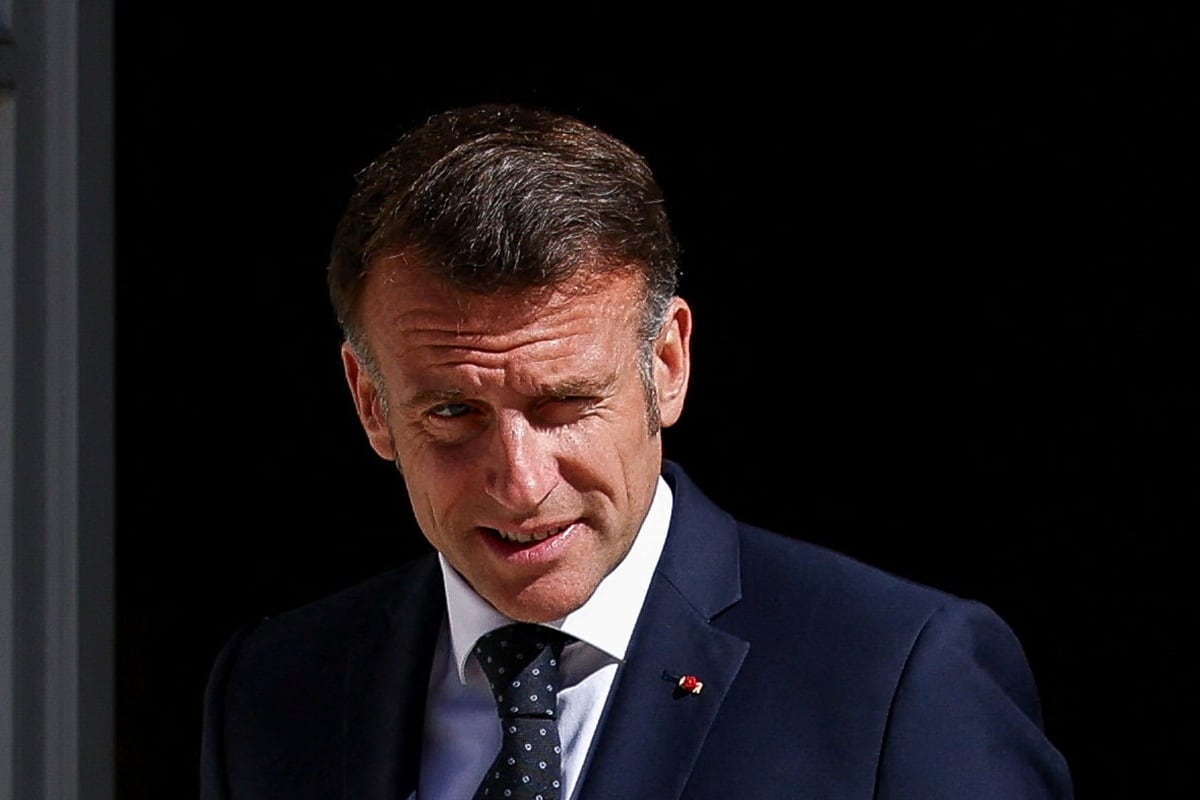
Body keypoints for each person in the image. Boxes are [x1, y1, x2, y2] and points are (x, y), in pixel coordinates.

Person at [200, 102, 1075, 800]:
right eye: (455, 412)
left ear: (667, 365)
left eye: (567, 404)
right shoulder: (274, 689)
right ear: (370, 403)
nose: (520, 482)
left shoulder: (894, 678)